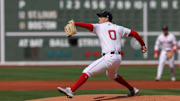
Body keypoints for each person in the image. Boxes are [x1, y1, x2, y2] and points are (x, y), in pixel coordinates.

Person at [58, 10, 147, 98]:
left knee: (87, 71)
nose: (99, 18)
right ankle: (132, 89)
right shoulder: (119, 28)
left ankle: (71, 90)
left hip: (109, 57)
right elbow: (135, 33)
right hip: (118, 58)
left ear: (106, 18)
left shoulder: (100, 27)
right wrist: (143, 45)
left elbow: (88, 26)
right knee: (112, 75)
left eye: (101, 16)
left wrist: (75, 23)